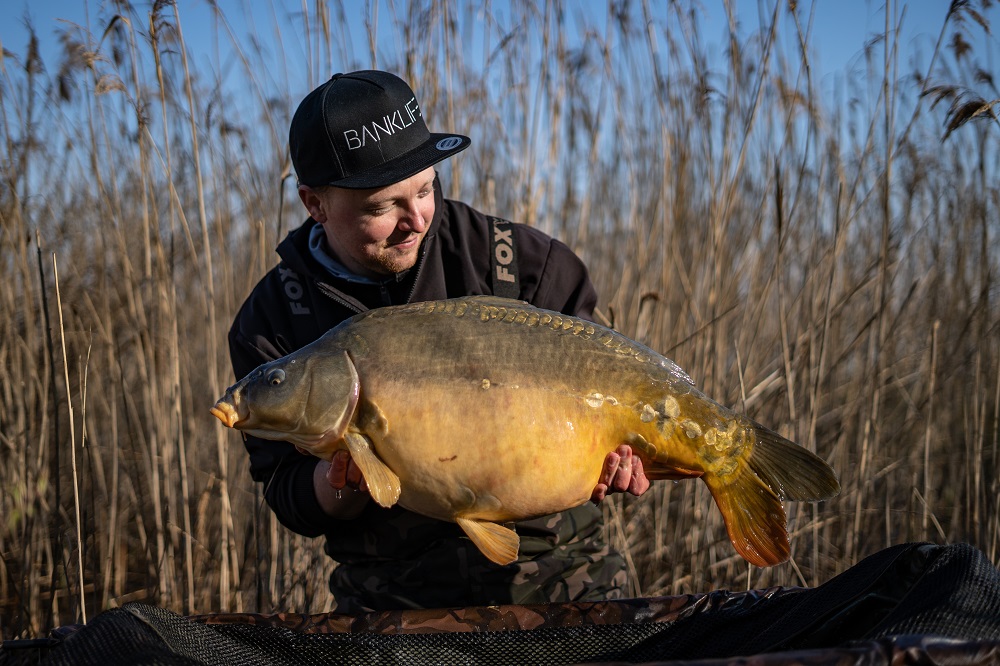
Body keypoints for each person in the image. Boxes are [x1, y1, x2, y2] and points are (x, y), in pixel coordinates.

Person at [228, 70, 650, 614]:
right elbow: (288, 495)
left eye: (426, 189)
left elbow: (612, 391)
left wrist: (623, 457)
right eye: (382, 208)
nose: (416, 219)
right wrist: (345, 481)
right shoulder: (273, 320)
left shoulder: (521, 264)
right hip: (393, 601)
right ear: (316, 204)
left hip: (559, 580)